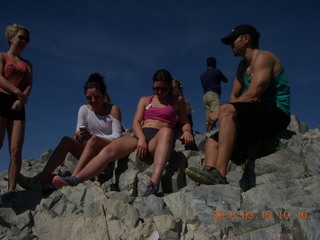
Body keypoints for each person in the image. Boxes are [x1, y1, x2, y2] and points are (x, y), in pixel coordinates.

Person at [52, 69, 194, 197]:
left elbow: (185, 122)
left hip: (159, 137)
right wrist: (142, 139)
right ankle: (76, 179)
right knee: (109, 150)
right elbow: (136, 122)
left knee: (166, 131)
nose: (159, 92)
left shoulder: (177, 100)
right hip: (141, 134)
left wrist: (187, 131)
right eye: (155, 88)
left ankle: (153, 184)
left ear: (169, 86)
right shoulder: (145, 100)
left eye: (163, 89)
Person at [185, 24, 290, 185]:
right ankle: (206, 184)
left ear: (246, 38)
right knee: (213, 141)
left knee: (227, 110)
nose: (230, 45)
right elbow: (235, 95)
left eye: (232, 40)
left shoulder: (264, 57)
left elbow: (254, 94)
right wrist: (229, 117)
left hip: (276, 112)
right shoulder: (242, 67)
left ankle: (219, 174)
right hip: (258, 114)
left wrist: (222, 112)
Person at [17, 73, 123, 192]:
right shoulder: (84, 109)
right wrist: (78, 136)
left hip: (106, 154)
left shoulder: (113, 110)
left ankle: (73, 179)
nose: (93, 101)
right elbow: (78, 132)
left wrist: (95, 137)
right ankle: (40, 180)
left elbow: (117, 138)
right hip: (89, 151)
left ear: (104, 95)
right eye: (89, 98)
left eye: (97, 97)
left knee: (93, 140)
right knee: (67, 141)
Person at [0, 24, 32, 191]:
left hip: (18, 104)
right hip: (2, 99)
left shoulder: (28, 64)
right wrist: (17, 92)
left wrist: (22, 98)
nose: (24, 41)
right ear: (11, 38)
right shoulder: (3, 57)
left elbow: (29, 84)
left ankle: (11, 189)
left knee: (15, 149)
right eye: (21, 37)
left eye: (27, 39)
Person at [200, 57, 228, 132]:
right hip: (213, 94)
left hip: (205, 96)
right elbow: (225, 80)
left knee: (208, 120)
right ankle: (223, 133)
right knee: (219, 114)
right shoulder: (216, 71)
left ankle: (208, 135)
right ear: (214, 64)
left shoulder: (202, 75)